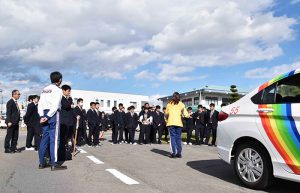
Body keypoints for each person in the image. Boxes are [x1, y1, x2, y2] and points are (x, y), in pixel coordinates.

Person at [38, 71, 67, 171]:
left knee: (44, 139)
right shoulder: (57, 90)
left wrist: (42, 115)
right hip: (54, 114)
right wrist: (49, 115)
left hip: (44, 113)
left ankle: (42, 163)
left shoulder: (44, 89)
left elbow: (40, 104)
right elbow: (55, 105)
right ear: (59, 80)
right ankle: (54, 164)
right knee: (54, 140)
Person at [165, 92, 189, 158]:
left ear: (173, 97)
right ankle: (179, 153)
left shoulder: (169, 104)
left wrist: (166, 120)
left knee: (172, 138)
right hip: (179, 123)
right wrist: (188, 115)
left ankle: (173, 153)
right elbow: (186, 114)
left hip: (171, 123)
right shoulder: (181, 104)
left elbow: (166, 114)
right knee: (178, 138)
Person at [58, 85, 74, 161]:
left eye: (70, 91)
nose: (69, 92)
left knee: (66, 139)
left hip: (69, 122)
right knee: (62, 139)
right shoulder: (61, 98)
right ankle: (61, 156)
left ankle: (64, 154)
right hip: (63, 122)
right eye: (68, 91)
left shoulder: (68, 99)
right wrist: (70, 99)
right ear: (63, 91)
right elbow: (66, 105)